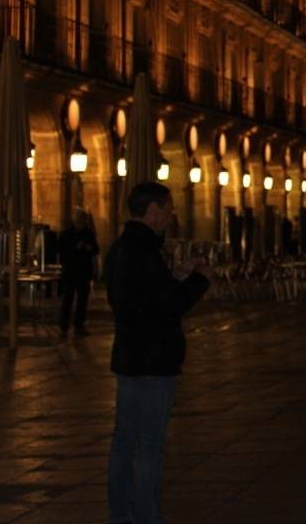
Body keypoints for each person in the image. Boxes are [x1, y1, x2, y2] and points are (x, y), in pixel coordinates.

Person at [105, 182, 212, 524]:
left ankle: (120, 514)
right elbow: (167, 306)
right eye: (167, 209)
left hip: (128, 357)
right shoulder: (146, 252)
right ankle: (147, 517)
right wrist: (199, 281)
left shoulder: (120, 248)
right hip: (155, 360)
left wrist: (176, 276)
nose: (170, 216)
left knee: (123, 442)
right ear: (151, 211)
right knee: (149, 445)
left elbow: (141, 297)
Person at [59, 209, 100, 336]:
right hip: (70, 271)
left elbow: (96, 250)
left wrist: (89, 248)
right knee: (68, 299)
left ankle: (79, 326)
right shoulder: (66, 234)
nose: (81, 222)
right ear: (74, 220)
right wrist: (75, 248)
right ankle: (64, 326)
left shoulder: (88, 234)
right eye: (79, 219)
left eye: (83, 219)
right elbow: (61, 251)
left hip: (83, 271)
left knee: (82, 300)